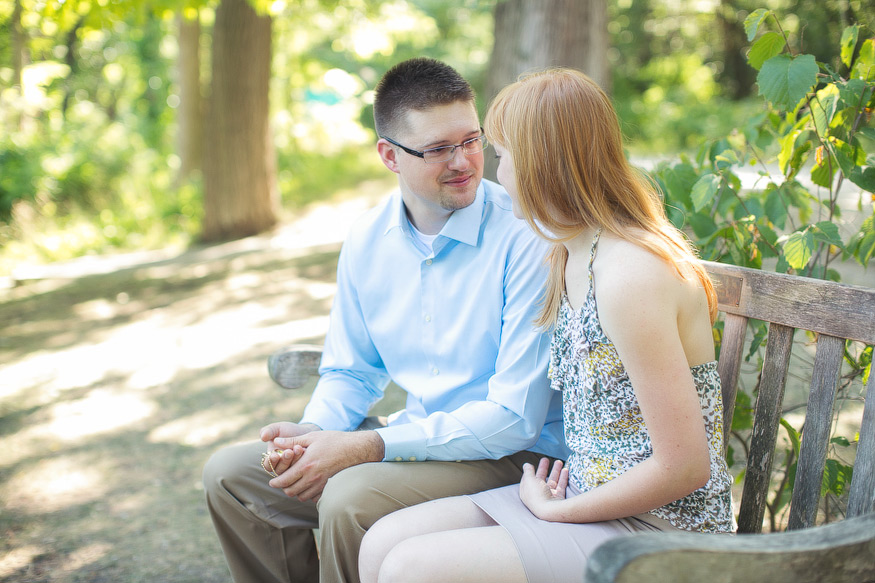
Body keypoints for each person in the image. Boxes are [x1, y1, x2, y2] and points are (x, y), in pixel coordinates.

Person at [358, 67, 736, 583]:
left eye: (503, 156)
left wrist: (559, 511)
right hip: (586, 493)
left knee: (411, 568)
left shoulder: (630, 277)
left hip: (660, 529)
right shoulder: (568, 254)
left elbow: (684, 467)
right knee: (382, 541)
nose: (498, 174)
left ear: (543, 165)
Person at [202, 58, 568, 583]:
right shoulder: (366, 240)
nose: (464, 161)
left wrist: (367, 446)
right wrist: (312, 434)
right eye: (439, 149)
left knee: (350, 497)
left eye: (471, 140)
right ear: (390, 156)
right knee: (232, 478)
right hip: (419, 440)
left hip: (517, 454)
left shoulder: (524, 235)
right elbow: (351, 372)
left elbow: (514, 419)